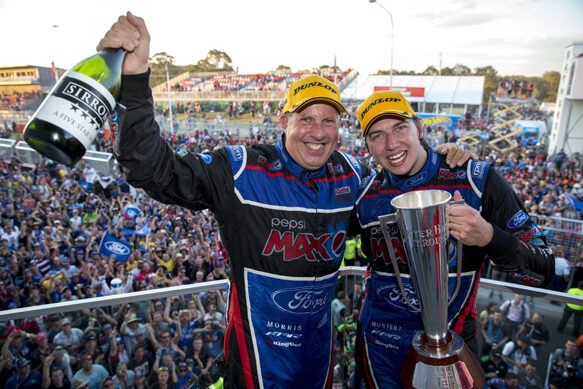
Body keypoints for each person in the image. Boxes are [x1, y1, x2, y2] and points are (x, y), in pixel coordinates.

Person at [97, 13, 465, 388]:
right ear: (283, 120)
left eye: (328, 121)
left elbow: (399, 205)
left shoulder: (350, 176)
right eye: (306, 119)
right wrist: (135, 78)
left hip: (319, 349)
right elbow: (151, 170)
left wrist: (441, 162)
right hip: (258, 352)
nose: (318, 133)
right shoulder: (239, 170)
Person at [351, 90, 555, 388]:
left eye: (399, 128)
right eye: (377, 135)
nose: (392, 144)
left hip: (452, 343)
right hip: (378, 345)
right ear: (367, 145)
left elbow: (544, 272)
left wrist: (489, 236)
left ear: (419, 129)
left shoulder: (476, 179)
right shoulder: (364, 192)